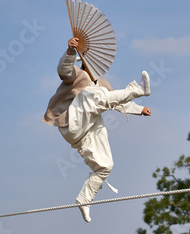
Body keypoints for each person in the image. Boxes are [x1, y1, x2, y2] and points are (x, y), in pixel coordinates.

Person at [43, 37, 152, 222]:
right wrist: (70, 52)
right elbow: (63, 71)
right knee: (94, 95)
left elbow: (115, 102)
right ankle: (137, 90)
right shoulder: (76, 75)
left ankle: (85, 199)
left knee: (105, 165)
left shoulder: (102, 84)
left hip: (86, 129)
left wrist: (139, 110)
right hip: (71, 121)